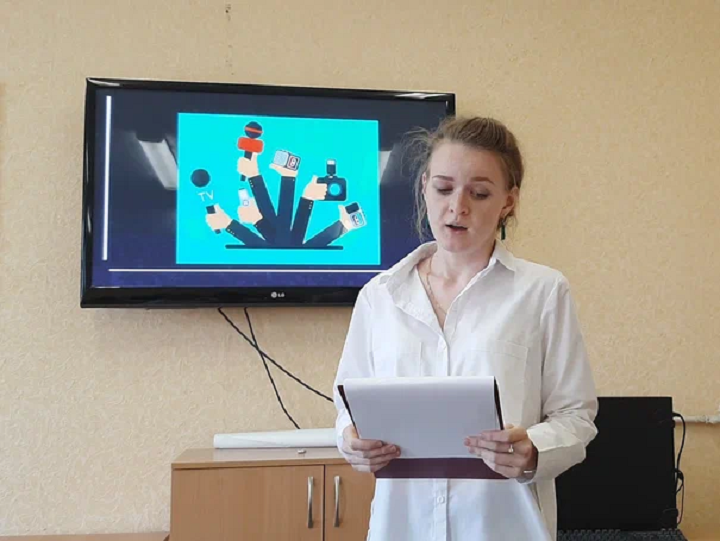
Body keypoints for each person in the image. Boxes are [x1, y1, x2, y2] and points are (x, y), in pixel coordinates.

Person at [332, 116, 598, 540]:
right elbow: (348, 409)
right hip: (402, 526)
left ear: (508, 201)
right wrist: (352, 442)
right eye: (443, 188)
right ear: (424, 187)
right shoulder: (379, 296)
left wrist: (533, 450)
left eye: (480, 193)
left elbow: (576, 416)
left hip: (504, 527)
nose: (458, 207)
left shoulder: (542, 291)